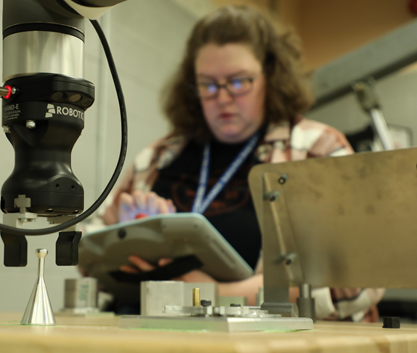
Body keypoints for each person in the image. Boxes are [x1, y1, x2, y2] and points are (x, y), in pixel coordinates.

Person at [95, 5, 384, 321]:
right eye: (207, 84)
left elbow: (360, 282)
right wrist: (120, 234)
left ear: (271, 77)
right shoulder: (160, 155)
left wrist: (216, 296)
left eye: (238, 82)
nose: (221, 98)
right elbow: (88, 249)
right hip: (156, 337)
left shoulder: (317, 150)